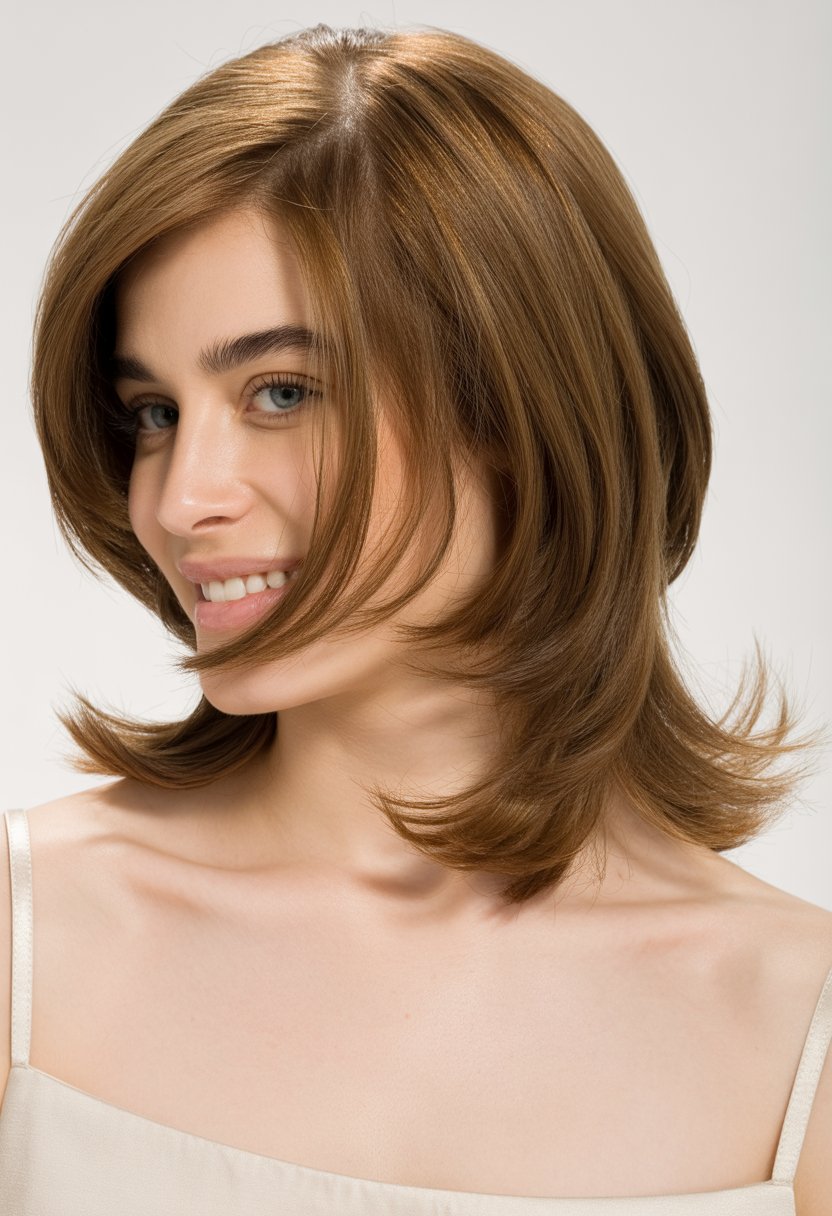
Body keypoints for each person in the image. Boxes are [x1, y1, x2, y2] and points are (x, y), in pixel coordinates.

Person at [1, 22, 830, 1215]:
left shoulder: (796, 1029)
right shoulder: (28, 937)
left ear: (518, 404)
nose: (179, 498)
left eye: (280, 392)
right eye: (152, 412)